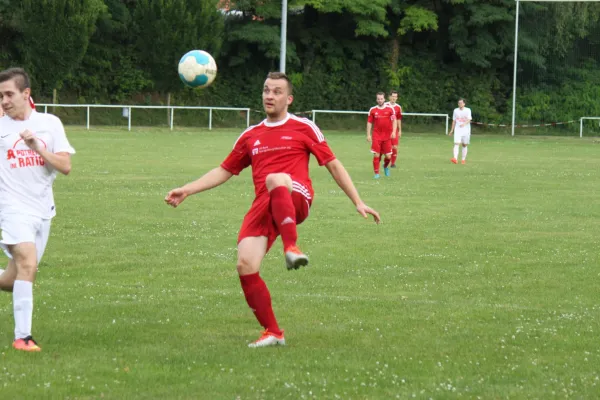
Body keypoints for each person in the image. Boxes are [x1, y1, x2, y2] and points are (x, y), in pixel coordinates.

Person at [165, 72, 381, 348]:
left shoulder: (304, 127)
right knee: (245, 265)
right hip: (264, 205)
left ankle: (292, 247)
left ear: (288, 99)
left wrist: (358, 201)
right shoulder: (250, 135)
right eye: (266, 90)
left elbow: (333, 164)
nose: (269, 95)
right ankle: (273, 332)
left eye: (277, 91)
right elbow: (224, 170)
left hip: (296, 196)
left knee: (276, 179)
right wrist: (188, 189)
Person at [0, 67, 75, 352]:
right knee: (28, 264)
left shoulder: (50, 123)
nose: (4, 101)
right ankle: (23, 337)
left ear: (26, 93)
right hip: (11, 208)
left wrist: (36, 147)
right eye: (0, 96)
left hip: (43, 211)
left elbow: (65, 167)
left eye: (9, 94)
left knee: (14, 277)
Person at [366, 92, 396, 178]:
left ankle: (385, 166)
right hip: (376, 135)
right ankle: (376, 174)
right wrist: (368, 135)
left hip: (387, 136)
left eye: (381, 99)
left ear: (384, 99)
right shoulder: (373, 110)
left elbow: (394, 121)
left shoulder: (390, 109)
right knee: (376, 154)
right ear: (376, 99)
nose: (380, 100)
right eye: (378, 99)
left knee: (388, 156)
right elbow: (369, 123)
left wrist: (394, 132)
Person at [448, 98, 472, 164]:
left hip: (466, 130)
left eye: (461, 103)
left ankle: (463, 159)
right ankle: (455, 158)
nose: (460, 104)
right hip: (458, 129)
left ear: (464, 103)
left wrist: (464, 124)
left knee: (464, 145)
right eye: (459, 103)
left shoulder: (468, 110)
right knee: (456, 143)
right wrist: (452, 130)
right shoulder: (455, 110)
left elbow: (469, 119)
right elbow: (454, 121)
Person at [385, 90, 402, 168]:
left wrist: (400, 130)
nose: (394, 98)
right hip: (386, 129)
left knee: (394, 147)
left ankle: (393, 163)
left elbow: (399, 119)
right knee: (387, 147)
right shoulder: (385, 105)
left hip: (395, 129)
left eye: (395, 97)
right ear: (389, 97)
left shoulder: (398, 107)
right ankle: (386, 162)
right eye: (393, 96)